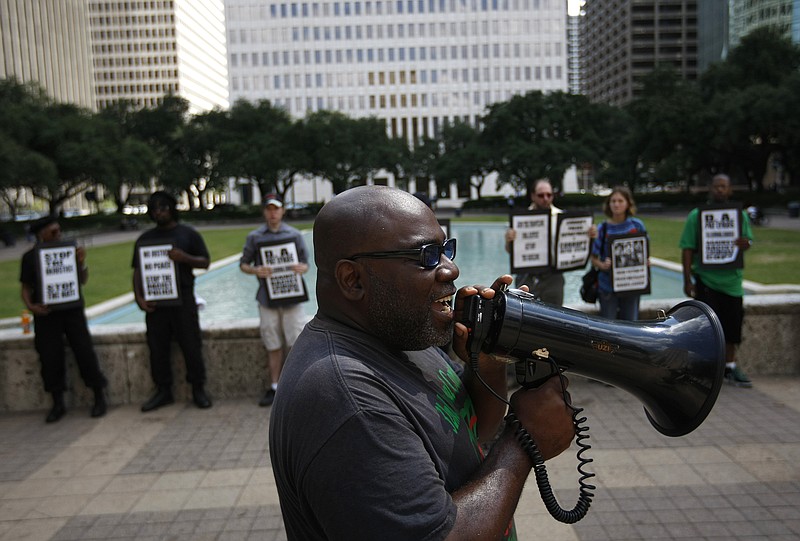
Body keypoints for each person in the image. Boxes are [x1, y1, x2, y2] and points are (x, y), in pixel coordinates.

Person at [270, 186, 576, 540]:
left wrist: (487, 364)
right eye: (426, 256)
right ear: (353, 279)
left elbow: (475, 429)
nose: (451, 269)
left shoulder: (401, 331)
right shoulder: (343, 396)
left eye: (445, 249)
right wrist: (524, 443)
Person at [19, 216, 107, 423]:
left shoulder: (70, 252)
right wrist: (31, 306)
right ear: (41, 235)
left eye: (59, 231)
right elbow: (25, 288)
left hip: (72, 311)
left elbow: (82, 280)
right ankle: (57, 402)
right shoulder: (30, 258)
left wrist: (81, 263)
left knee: (84, 352)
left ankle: (98, 396)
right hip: (46, 314)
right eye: (53, 232)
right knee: (50, 357)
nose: (58, 235)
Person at [132, 191, 213, 411]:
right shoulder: (144, 239)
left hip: (183, 301)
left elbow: (205, 262)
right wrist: (139, 298)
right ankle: (163, 391)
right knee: (157, 348)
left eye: (163, 207)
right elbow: (137, 271)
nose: (159, 212)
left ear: (172, 209)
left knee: (191, 346)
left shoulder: (188, 234)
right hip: (156, 305)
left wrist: (184, 258)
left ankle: (198, 388)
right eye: (155, 209)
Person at [680, 173, 754, 388]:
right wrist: (687, 280)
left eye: (724, 187)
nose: (720, 190)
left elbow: (748, 241)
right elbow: (687, 248)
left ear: (730, 190)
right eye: (717, 186)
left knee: (732, 329)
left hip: (733, 283)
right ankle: (707, 371)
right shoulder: (696, 216)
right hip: (706, 281)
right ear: (711, 189)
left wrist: (745, 243)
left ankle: (730, 367)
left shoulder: (740, 215)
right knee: (707, 330)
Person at [240, 193, 310, 407]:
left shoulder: (295, 235)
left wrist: (301, 268)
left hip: (291, 296)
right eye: (269, 209)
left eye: (276, 209)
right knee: (272, 343)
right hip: (267, 298)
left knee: (296, 342)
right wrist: (256, 270)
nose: (273, 213)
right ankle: (275, 386)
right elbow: (243, 264)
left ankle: (298, 386)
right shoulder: (254, 237)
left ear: (282, 211)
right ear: (264, 212)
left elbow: (306, 263)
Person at [505, 179, 596, 305]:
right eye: (541, 195)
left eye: (549, 195)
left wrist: (588, 235)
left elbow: (575, 243)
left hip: (554, 276)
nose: (545, 198)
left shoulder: (562, 218)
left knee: (555, 316)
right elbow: (510, 251)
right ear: (532, 196)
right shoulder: (520, 220)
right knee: (524, 316)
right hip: (527, 275)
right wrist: (509, 240)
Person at [590, 186, 648, 321]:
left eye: (620, 201)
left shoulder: (637, 226)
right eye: (613, 201)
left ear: (628, 203)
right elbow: (593, 258)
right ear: (609, 204)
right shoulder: (602, 228)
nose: (616, 204)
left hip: (632, 285)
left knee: (630, 325)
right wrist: (602, 265)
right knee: (607, 325)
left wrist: (646, 261)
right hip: (607, 287)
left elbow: (645, 251)